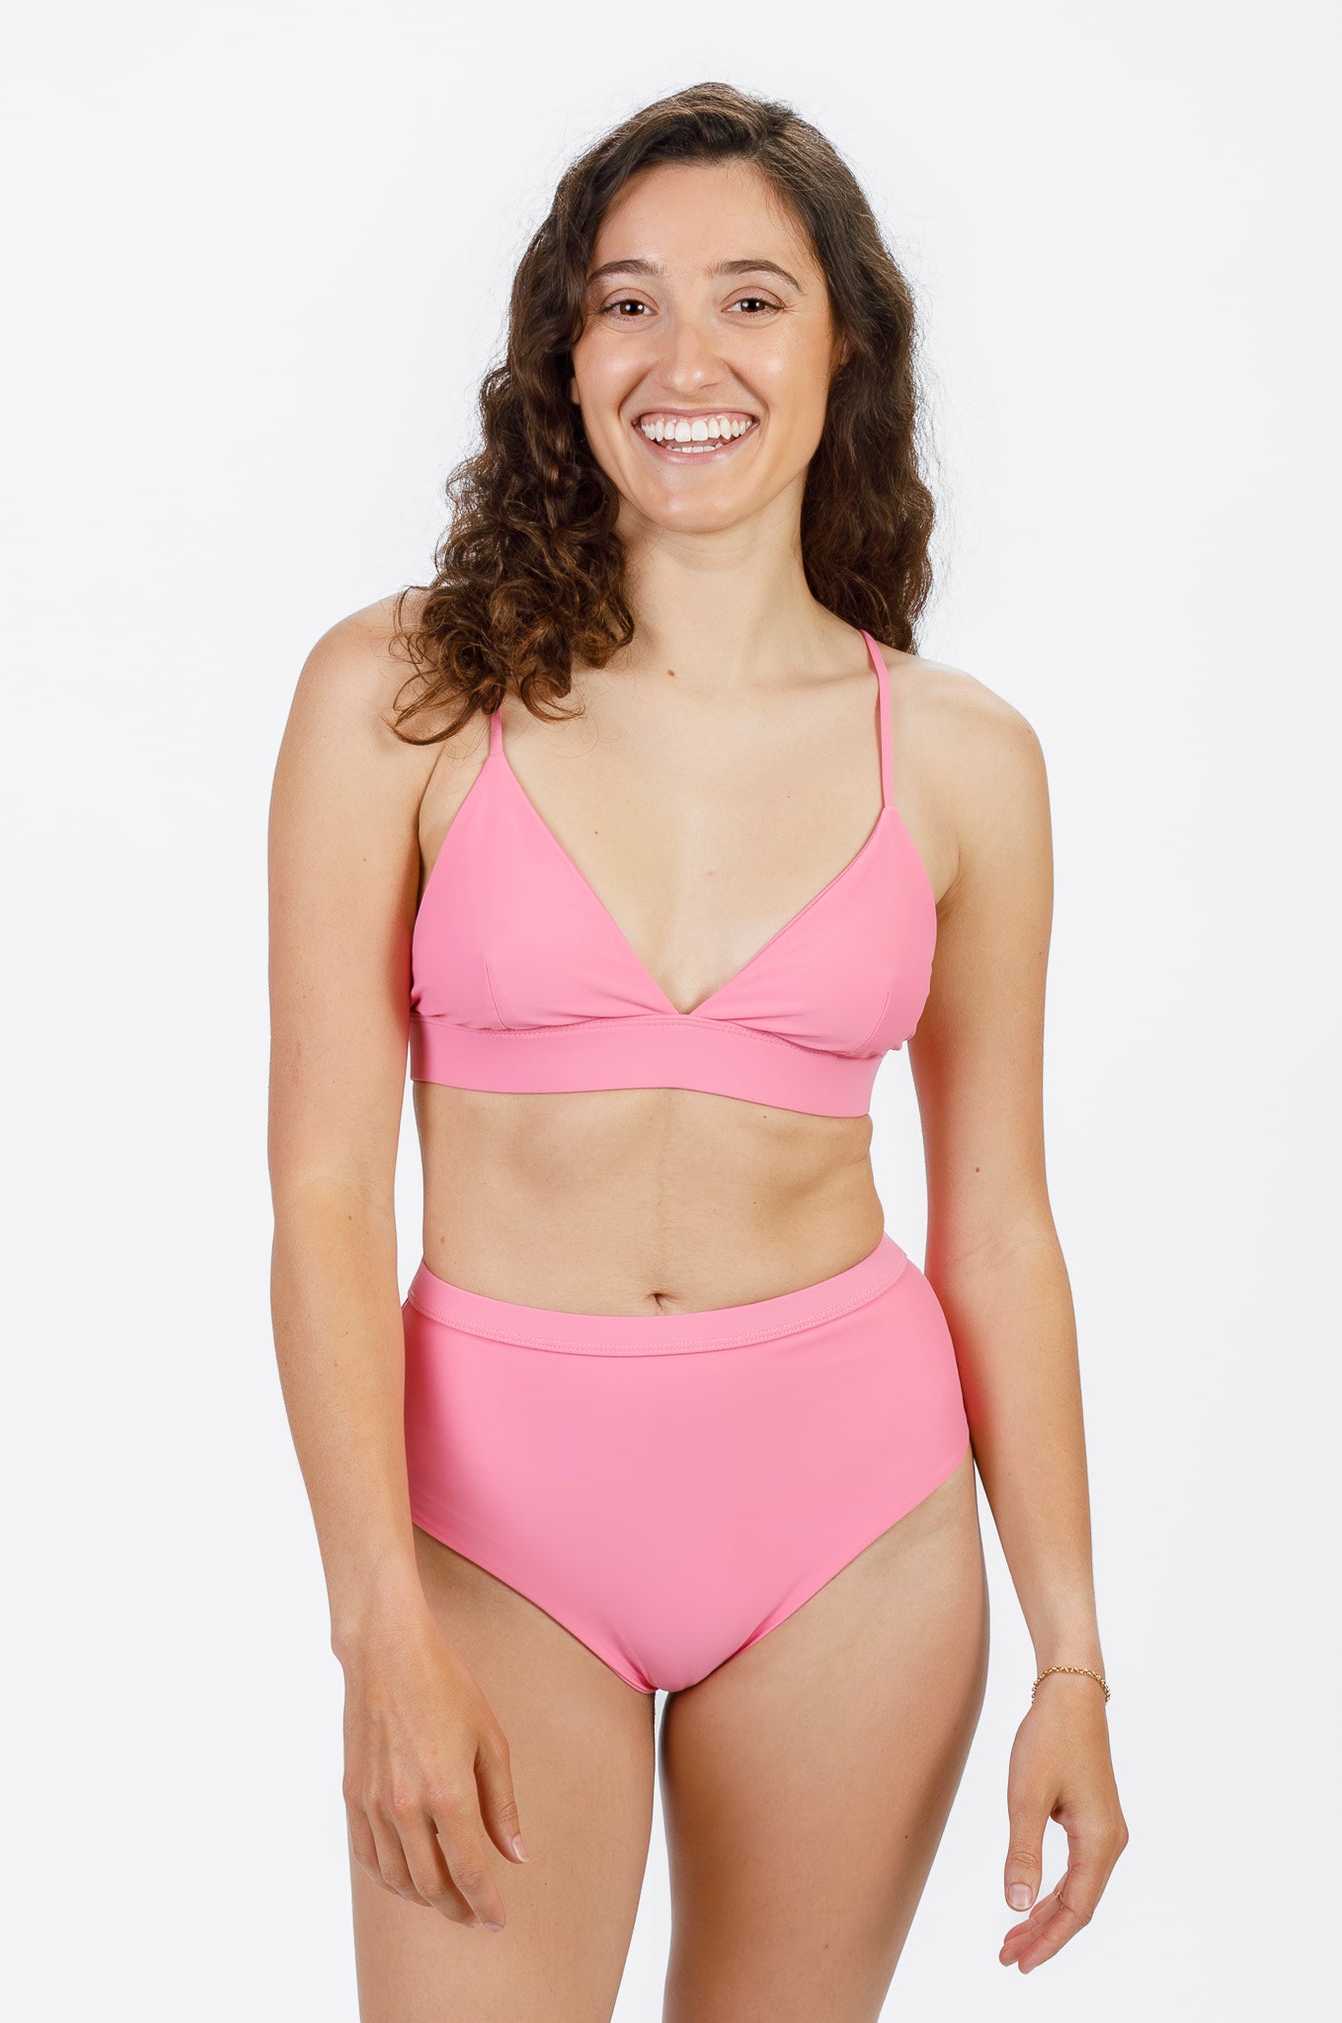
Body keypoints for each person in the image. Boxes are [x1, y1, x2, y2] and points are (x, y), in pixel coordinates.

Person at [267, 79, 1128, 2022]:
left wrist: (1072, 1658)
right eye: (626, 301)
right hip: (488, 1521)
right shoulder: (401, 695)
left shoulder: (964, 757)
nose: (685, 357)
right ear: (563, 355)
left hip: (854, 1529)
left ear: (845, 352)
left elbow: (998, 1224)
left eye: (751, 299)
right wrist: (374, 1626)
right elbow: (321, 1190)